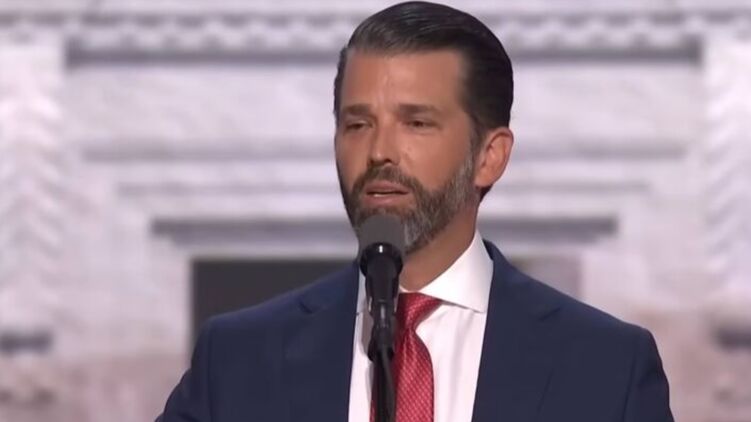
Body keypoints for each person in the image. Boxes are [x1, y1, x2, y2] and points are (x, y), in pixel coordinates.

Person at [156, 2, 674, 421]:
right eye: (357, 125)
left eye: (417, 123)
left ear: (489, 156)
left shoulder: (607, 368)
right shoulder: (238, 359)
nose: (379, 151)